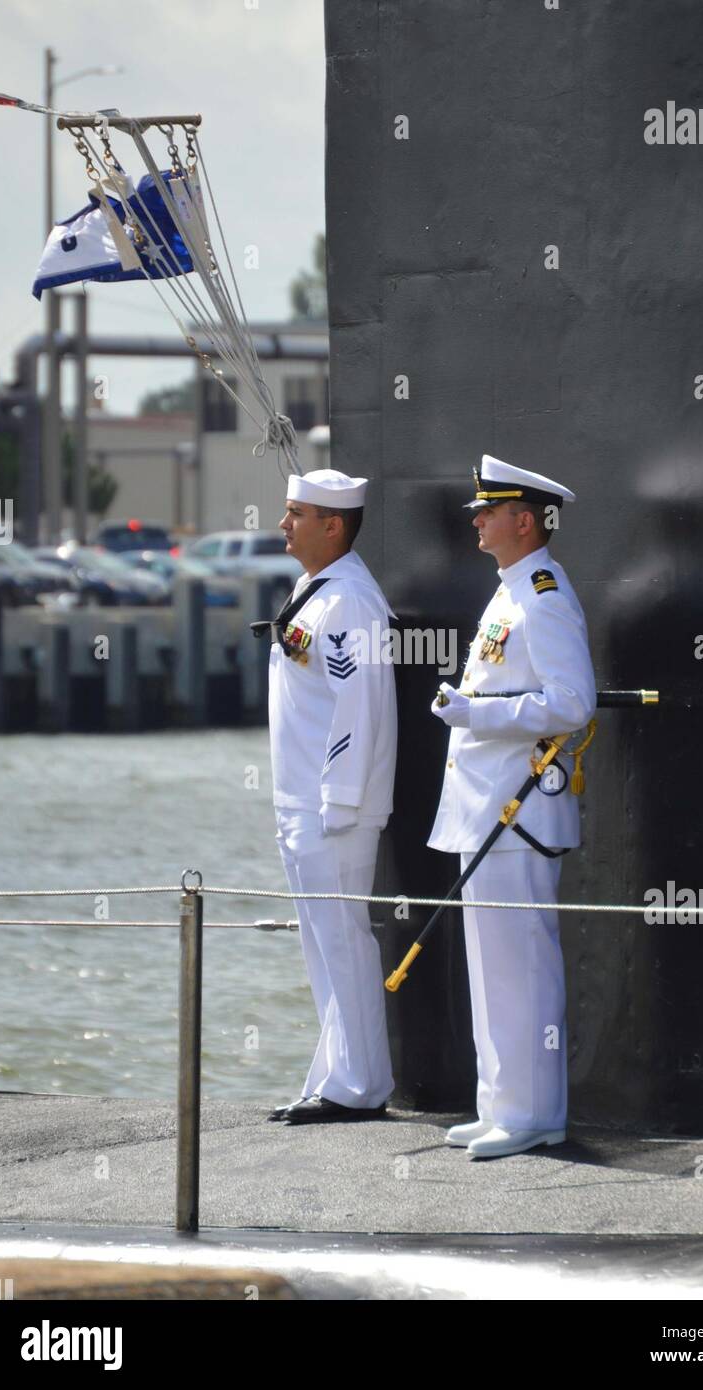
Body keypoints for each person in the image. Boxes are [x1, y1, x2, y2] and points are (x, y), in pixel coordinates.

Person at [428, 453, 596, 1159]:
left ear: (523, 520)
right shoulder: (508, 592)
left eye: (488, 510)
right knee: (492, 965)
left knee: (521, 964)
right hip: (487, 809)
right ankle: (499, 1103)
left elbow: (573, 704)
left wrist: (476, 713)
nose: (477, 519)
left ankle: (532, 1115)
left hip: (519, 815)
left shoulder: (543, 596)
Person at [262, 468, 397, 1124]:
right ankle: (335, 1076)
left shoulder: (350, 603)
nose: (283, 525)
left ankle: (362, 1087)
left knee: (343, 941)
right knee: (321, 947)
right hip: (299, 801)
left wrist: (339, 800)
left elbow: (359, 704)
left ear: (333, 525)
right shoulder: (315, 590)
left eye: (295, 514)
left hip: (330, 807)